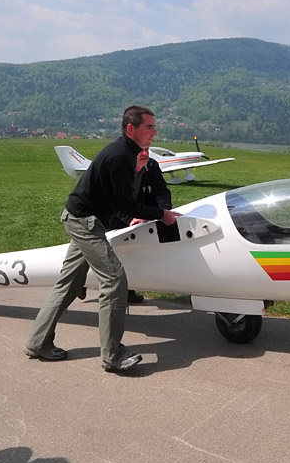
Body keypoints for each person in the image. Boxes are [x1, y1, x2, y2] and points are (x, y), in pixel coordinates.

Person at [25, 105, 179, 372]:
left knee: (69, 285)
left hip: (84, 219)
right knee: (114, 279)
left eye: (154, 127)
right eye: (149, 127)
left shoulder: (134, 156)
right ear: (131, 129)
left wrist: (141, 174)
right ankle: (113, 354)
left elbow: (132, 197)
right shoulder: (121, 156)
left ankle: (38, 343)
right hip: (85, 222)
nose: (155, 132)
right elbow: (127, 205)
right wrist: (161, 215)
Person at [110, 149, 173, 304]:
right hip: (108, 213)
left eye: (146, 150)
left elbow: (161, 190)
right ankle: (81, 282)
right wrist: (130, 219)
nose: (144, 154)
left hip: (135, 208)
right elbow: (113, 200)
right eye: (139, 151)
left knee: (130, 249)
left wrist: (165, 211)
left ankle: (128, 289)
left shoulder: (151, 165)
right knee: (108, 250)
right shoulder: (119, 167)